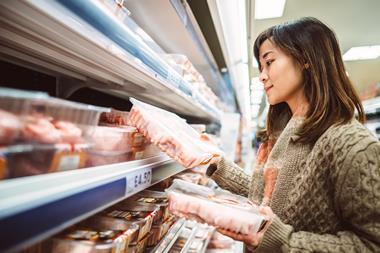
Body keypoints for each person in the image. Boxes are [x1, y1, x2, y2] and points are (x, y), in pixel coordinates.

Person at [205, 17, 380, 252]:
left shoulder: (352, 144)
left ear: (306, 59)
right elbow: (275, 198)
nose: (262, 75)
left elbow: (371, 244)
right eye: (261, 67)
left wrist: (280, 240)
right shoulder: (286, 133)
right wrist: (218, 165)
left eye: (269, 62)